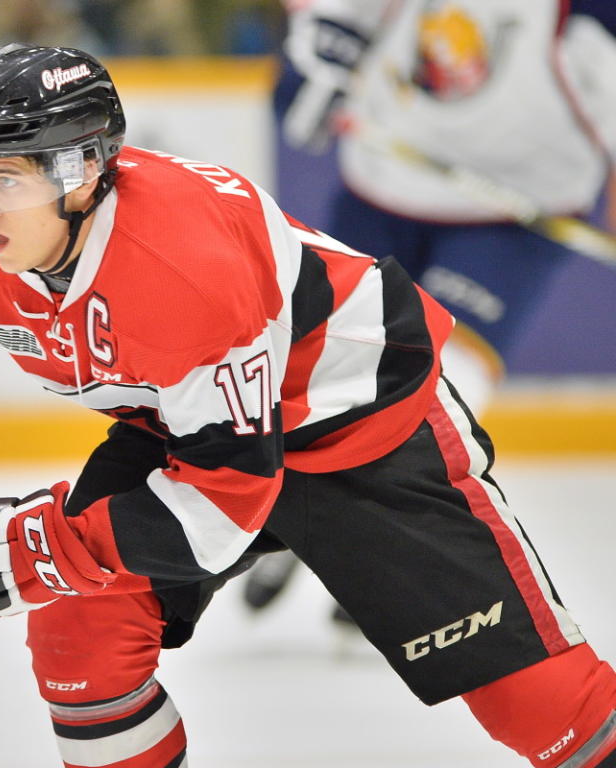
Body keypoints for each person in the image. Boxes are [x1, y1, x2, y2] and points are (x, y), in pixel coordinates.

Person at [0, 43, 616, 768]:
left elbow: (224, 506)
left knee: (546, 714)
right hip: (196, 430)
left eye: (4, 176)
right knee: (81, 630)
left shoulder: (182, 267)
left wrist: (39, 541)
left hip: (363, 429)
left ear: (84, 173)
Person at [244, 0, 616, 615]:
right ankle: (287, 514)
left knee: (442, 372)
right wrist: (311, 82)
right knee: (321, 364)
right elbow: (313, 66)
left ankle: (367, 531)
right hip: (385, 186)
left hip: (517, 209)